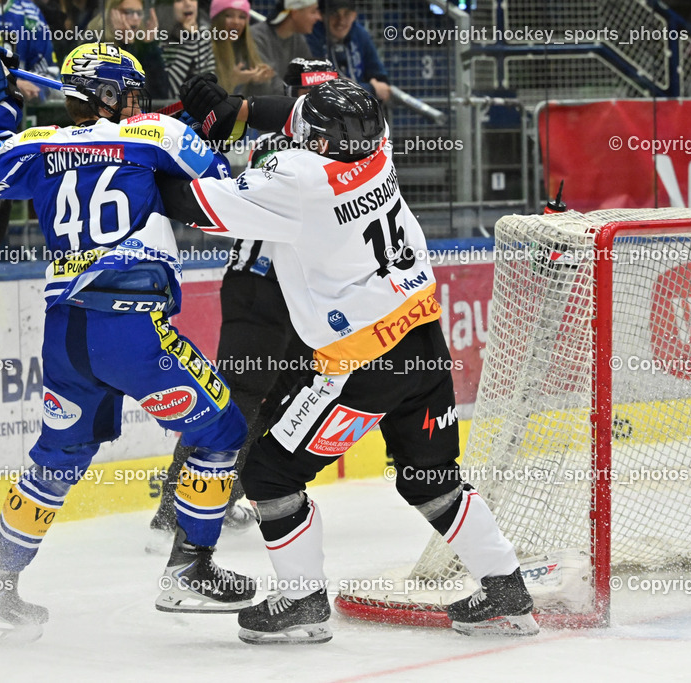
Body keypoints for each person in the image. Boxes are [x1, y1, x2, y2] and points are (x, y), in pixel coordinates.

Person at [160, 74, 539, 643]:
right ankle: (506, 591)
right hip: (422, 340)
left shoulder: (297, 178)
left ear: (316, 139)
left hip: (358, 361)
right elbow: (302, 117)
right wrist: (241, 108)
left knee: (268, 472)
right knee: (431, 479)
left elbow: (190, 203)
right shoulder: (379, 147)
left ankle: (302, 602)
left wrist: (130, 156)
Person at [0, 41, 255, 647]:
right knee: (222, 431)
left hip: (65, 333)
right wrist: (200, 128)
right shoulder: (154, 134)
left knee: (56, 460)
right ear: (109, 94)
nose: (137, 103)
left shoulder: (39, 143)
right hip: (132, 329)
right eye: (130, 93)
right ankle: (190, 569)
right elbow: (223, 188)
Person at [145, 57, 337, 553]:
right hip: (259, 286)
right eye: (310, 95)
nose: (320, 105)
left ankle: (223, 494)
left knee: (278, 399)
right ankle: (175, 509)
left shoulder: (333, 143)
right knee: (237, 399)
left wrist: (225, 112)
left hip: (298, 293)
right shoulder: (285, 146)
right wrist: (216, 114)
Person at [306, 0, 389, 101]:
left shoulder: (359, 33)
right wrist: (370, 89)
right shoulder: (311, 35)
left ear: (354, 15)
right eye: (334, 13)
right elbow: (320, 86)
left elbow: (382, 82)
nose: (341, 21)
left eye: (347, 13)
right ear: (322, 15)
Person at [0, 0, 59, 102]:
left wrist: (34, 88)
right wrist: (9, 84)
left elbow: (47, 67)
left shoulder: (31, 13)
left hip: (22, 103)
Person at [86, 0, 168, 99]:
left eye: (139, 13)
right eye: (128, 12)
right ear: (111, 13)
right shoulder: (94, 44)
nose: (135, 18)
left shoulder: (140, 45)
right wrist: (126, 46)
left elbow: (161, 94)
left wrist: (150, 46)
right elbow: (119, 91)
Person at [249, 0, 320, 96]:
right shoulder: (256, 37)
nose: (318, 17)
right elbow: (269, 82)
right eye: (313, 12)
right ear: (295, 13)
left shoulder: (298, 39)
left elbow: (310, 74)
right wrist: (297, 92)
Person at [208, 0, 272, 95]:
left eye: (242, 17)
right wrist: (233, 81)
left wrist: (259, 80)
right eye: (229, 15)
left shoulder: (247, 48)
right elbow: (204, 98)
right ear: (217, 18)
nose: (236, 22)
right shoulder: (205, 49)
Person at [160, 0, 215, 98]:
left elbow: (211, 85)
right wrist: (189, 40)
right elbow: (168, 92)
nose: (188, 3)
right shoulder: (161, 40)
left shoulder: (204, 35)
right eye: (179, 0)